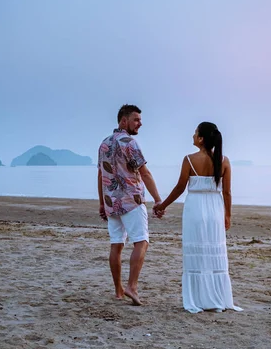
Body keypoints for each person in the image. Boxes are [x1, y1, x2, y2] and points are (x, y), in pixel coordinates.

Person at [155, 122, 242, 313]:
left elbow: (180, 188)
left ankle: (198, 299)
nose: (193, 136)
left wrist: (162, 205)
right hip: (215, 209)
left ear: (201, 138)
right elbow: (227, 193)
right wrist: (227, 215)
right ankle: (216, 297)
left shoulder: (189, 159)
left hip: (195, 209)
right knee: (213, 252)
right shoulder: (224, 161)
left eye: (195, 133)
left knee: (197, 253)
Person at [98, 104, 164, 306]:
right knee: (141, 241)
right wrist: (158, 200)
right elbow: (145, 173)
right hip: (131, 201)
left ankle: (118, 290)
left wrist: (102, 203)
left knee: (116, 244)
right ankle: (131, 286)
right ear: (123, 121)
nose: (140, 123)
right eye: (136, 119)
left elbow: (101, 175)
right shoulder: (129, 142)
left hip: (111, 202)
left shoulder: (104, 143)